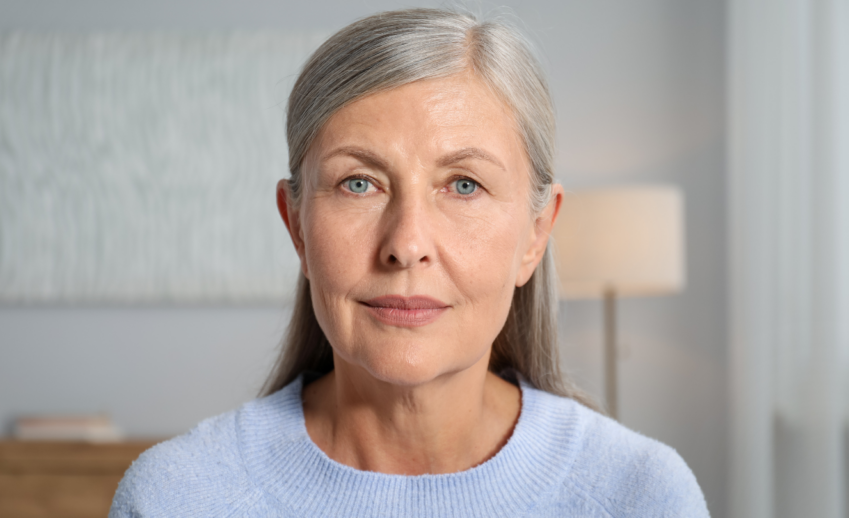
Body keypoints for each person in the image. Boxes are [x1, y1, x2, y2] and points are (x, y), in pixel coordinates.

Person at [110, 8, 709, 517]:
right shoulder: (175, 498)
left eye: (465, 185)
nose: (407, 243)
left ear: (536, 233)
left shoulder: (641, 496)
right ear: (295, 226)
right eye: (359, 184)